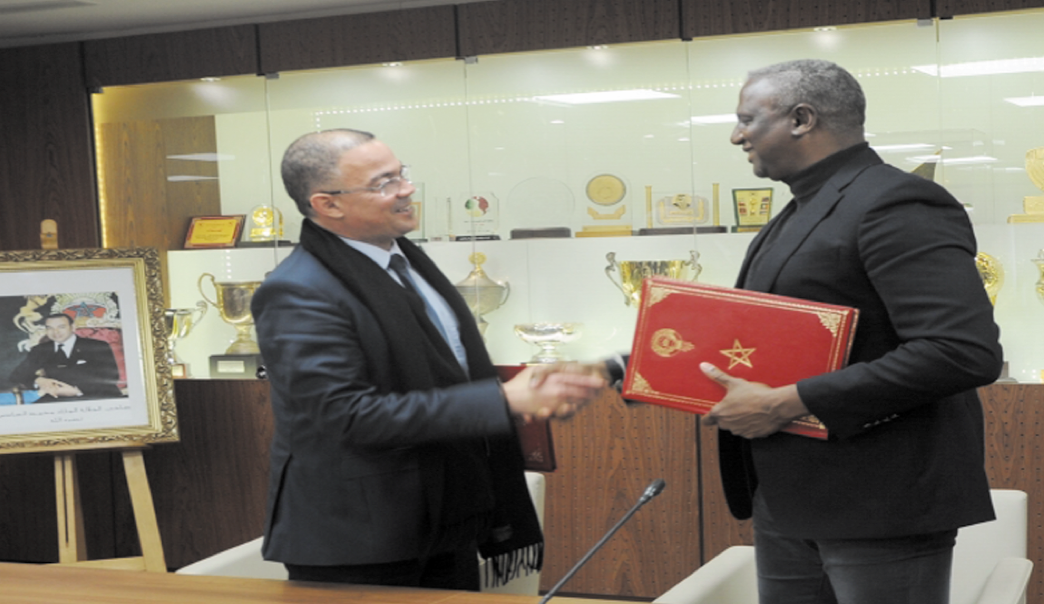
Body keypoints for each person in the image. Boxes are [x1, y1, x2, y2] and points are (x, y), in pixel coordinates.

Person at [692, 59, 1002, 603]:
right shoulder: (800, 209)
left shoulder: (896, 201)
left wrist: (787, 402)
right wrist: (638, 365)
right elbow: (768, 338)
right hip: (789, 498)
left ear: (802, 118)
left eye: (746, 118)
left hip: (880, 505)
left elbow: (960, 351)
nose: (737, 134)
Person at [251, 128, 607, 590]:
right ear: (328, 205)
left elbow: (447, 369)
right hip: (360, 538)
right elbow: (347, 417)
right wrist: (501, 401)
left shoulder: (408, 260)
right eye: (383, 184)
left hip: (446, 515)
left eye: (401, 174)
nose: (406, 190)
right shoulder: (297, 290)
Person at [7, 313, 123, 399]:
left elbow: (111, 376)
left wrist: (77, 391)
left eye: (61, 327)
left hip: (97, 395)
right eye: (50, 328)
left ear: (72, 328)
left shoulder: (97, 345)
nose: (55, 332)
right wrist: (38, 380)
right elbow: (16, 375)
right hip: (57, 397)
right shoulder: (41, 349)